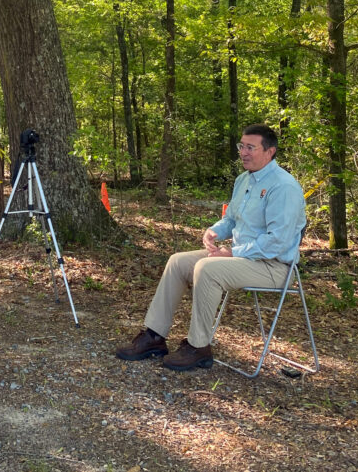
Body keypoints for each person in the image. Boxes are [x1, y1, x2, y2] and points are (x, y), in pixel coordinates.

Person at [115, 124, 306, 371]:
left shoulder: (284, 186)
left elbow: (277, 241)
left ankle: (198, 347)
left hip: (275, 267)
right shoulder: (243, 180)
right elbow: (231, 220)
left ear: (270, 152)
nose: (243, 152)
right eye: (241, 146)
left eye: (250, 147)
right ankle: (154, 336)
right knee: (177, 261)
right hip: (243, 260)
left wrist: (233, 251)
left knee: (207, 268)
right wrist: (215, 230)